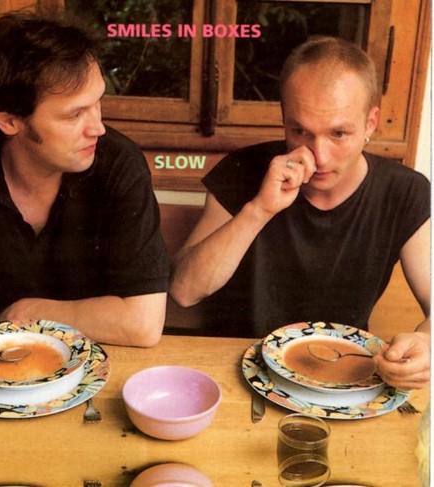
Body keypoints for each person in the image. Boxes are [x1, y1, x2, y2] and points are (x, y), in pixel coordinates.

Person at [170, 37, 430, 390]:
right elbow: (184, 291)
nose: (319, 156)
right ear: (284, 120)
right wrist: (260, 209)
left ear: (371, 122)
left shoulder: (405, 192)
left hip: (342, 378)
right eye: (300, 131)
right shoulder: (241, 170)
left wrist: (426, 342)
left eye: (338, 133)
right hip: (236, 371)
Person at [0, 10, 170, 373]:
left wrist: (26, 311)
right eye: (74, 115)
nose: (98, 128)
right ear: (8, 120)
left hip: (88, 373)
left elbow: (143, 323)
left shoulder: (118, 162)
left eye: (98, 102)